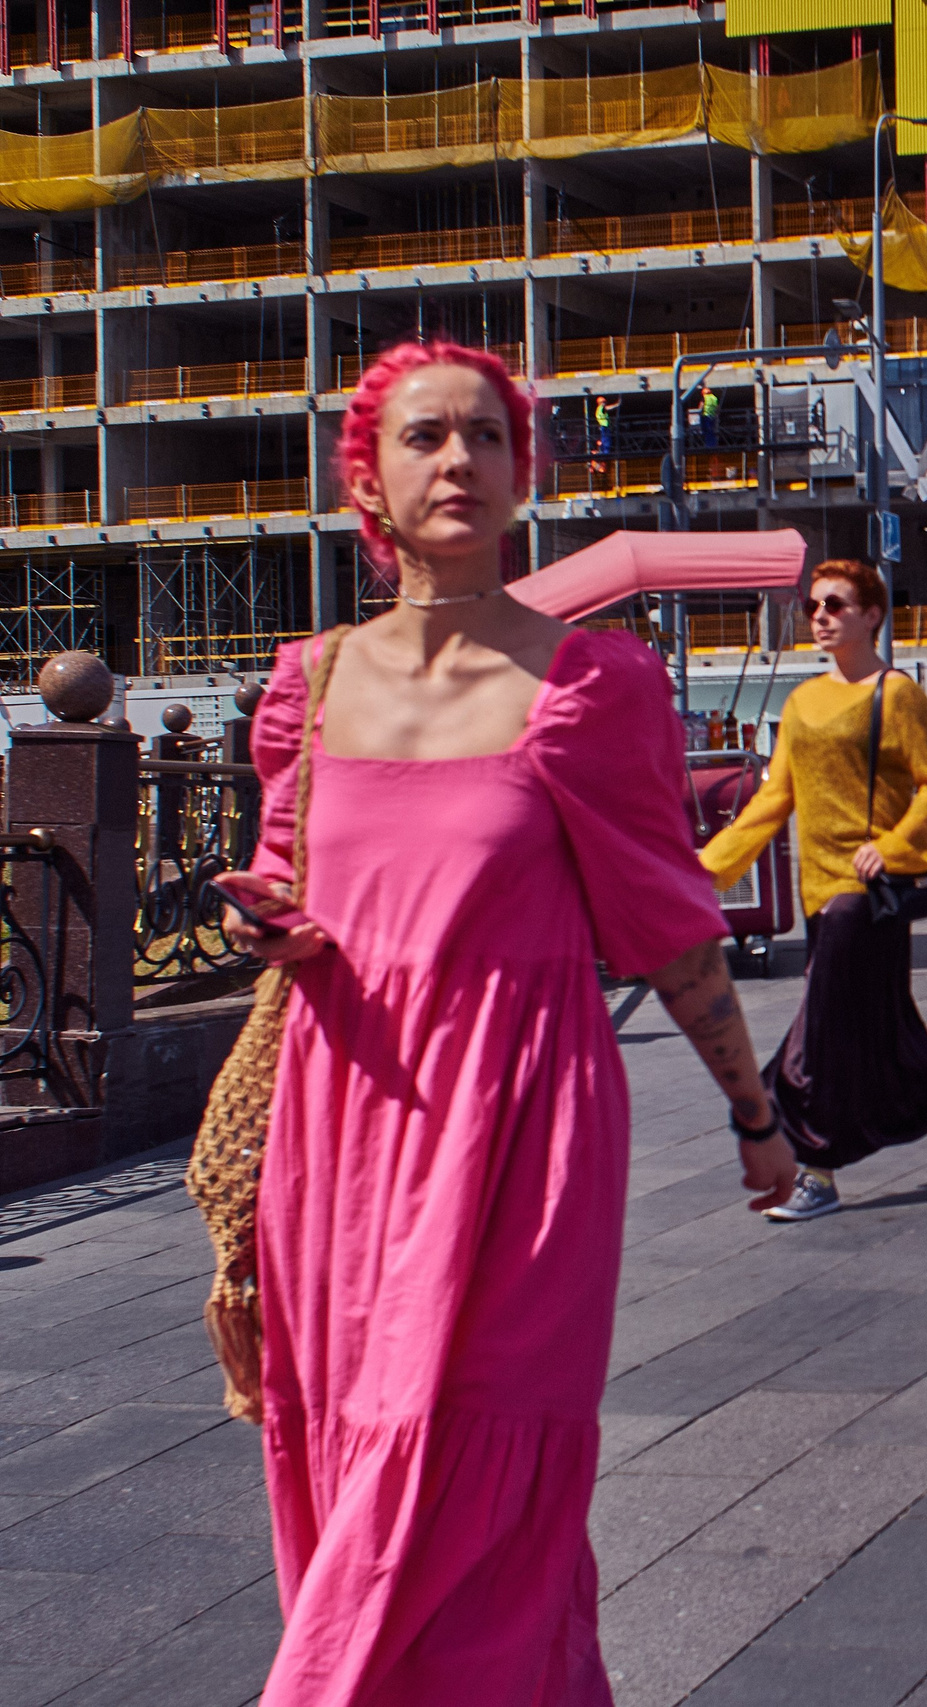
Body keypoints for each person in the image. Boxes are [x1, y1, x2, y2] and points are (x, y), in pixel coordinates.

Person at [216, 340, 793, 1705]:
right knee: (353, 1453)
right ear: (367, 475)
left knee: (482, 1475)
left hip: (524, 1122)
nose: (458, 459)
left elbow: (668, 928)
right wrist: (269, 926)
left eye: (486, 435)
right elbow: (289, 884)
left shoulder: (591, 685)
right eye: (425, 436)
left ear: (524, 475)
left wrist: (753, 1112)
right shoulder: (305, 684)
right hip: (341, 1128)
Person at [703, 556, 927, 1216]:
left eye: (836, 605)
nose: (821, 617)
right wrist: (707, 869)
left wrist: (889, 848)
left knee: (822, 1025)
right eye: (814, 607)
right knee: (884, 1026)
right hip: (817, 892)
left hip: (871, 893)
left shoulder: (899, 694)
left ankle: (817, 1169)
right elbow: (774, 802)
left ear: (872, 615)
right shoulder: (801, 702)